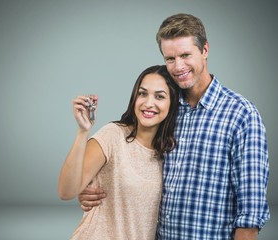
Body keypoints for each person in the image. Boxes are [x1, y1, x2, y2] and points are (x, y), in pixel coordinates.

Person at [78, 13, 270, 240]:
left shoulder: (241, 114)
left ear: (205, 50)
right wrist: (90, 186)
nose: (178, 66)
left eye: (186, 55)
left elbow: (250, 214)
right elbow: (129, 157)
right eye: (170, 58)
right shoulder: (163, 108)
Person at [58, 65, 179, 239]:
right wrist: (83, 132)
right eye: (142, 93)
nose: (148, 103)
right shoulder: (113, 135)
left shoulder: (168, 153)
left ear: (172, 103)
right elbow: (66, 191)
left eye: (159, 96)